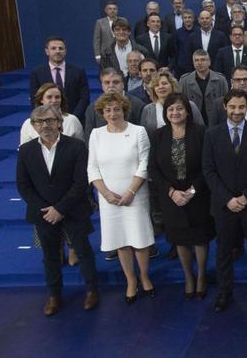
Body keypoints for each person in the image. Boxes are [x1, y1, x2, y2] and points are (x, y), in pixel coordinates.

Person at [17, 105, 98, 316]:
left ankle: (91, 290)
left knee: (83, 251)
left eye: (50, 120)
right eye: (40, 121)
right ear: (33, 126)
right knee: (50, 256)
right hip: (43, 213)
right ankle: (54, 295)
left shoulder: (77, 146)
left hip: (73, 209)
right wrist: (47, 209)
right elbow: (23, 185)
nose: (45, 125)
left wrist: (60, 209)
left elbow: (81, 182)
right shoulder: (26, 151)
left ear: (59, 123)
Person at [202, 89, 247, 312]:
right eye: (232, 107)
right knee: (223, 251)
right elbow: (209, 170)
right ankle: (225, 291)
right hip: (224, 206)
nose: (236, 111)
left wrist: (246, 196)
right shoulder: (212, 134)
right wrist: (228, 199)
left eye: (241, 107)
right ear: (225, 106)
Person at [87, 92, 154, 303]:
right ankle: (130, 280)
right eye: (107, 110)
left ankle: (144, 276)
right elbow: (92, 167)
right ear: (101, 113)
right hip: (109, 200)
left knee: (140, 239)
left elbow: (144, 163)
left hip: (135, 195)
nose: (112, 113)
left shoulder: (138, 131)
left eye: (116, 109)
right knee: (121, 241)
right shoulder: (96, 134)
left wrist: (131, 192)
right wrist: (105, 194)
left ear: (124, 109)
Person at [148, 94, 214, 299]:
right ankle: (188, 277)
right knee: (180, 240)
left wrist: (192, 192)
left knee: (199, 238)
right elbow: (154, 169)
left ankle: (201, 276)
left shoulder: (201, 133)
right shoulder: (158, 135)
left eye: (179, 109)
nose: (175, 113)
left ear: (187, 111)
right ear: (165, 113)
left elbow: (208, 166)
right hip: (171, 198)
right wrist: (172, 192)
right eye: (170, 110)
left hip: (198, 195)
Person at [30, 36, 90, 122]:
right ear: (47, 51)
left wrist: (72, 118)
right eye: (53, 48)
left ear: (65, 51)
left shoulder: (78, 72)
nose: (58, 51)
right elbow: (35, 99)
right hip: (47, 121)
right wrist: (45, 117)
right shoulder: (37, 73)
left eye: (61, 48)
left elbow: (84, 98)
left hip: (75, 119)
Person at [84, 67, 146, 143]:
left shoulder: (138, 105)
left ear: (123, 84)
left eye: (115, 82)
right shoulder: (92, 108)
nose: (111, 86)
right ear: (102, 85)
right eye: (107, 82)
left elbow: (142, 136)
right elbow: (89, 139)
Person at [140, 68, 205, 133]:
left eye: (164, 83)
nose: (161, 87)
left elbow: (201, 129)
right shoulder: (147, 109)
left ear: (172, 85)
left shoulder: (190, 105)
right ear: (153, 89)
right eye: (157, 85)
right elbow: (144, 133)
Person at [179, 49, 229, 126]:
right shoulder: (184, 80)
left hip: (216, 122)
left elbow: (227, 102)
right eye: (196, 60)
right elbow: (181, 103)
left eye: (203, 60)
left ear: (209, 62)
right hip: (193, 122)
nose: (199, 63)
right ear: (193, 63)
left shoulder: (220, 80)